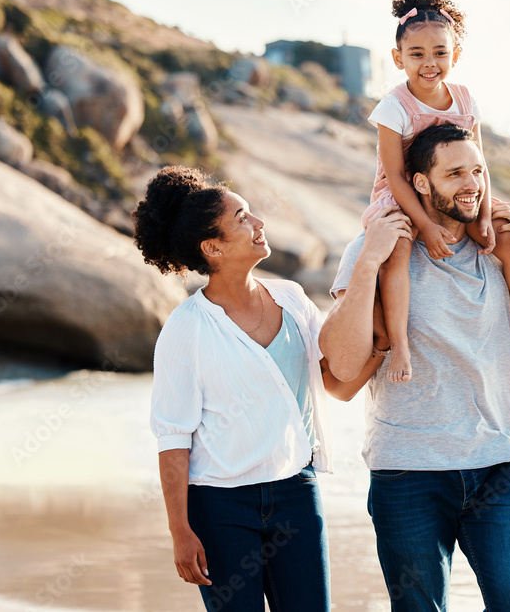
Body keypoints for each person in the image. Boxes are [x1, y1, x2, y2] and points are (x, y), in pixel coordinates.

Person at [321, 124, 510, 611]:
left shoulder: (498, 252)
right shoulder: (381, 247)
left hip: (497, 461)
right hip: (408, 468)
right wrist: (368, 260)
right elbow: (342, 370)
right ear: (420, 183)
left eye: (477, 170)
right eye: (454, 173)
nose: (471, 183)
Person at [133, 165, 381, 612]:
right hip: (219, 507)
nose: (259, 224)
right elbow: (172, 437)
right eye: (243, 218)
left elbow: (334, 385)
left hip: (296, 493)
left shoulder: (293, 299)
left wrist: (379, 352)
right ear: (213, 248)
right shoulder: (185, 329)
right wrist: (180, 531)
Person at [362, 0, 510, 383]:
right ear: (397, 58)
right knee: (399, 251)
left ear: (455, 54)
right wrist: (426, 225)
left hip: (457, 190)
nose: (429, 63)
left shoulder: (464, 98)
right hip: (403, 193)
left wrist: (486, 215)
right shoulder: (394, 106)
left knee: (508, 239)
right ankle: (401, 346)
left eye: (440, 52)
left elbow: (480, 163)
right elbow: (394, 174)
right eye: (416, 54)